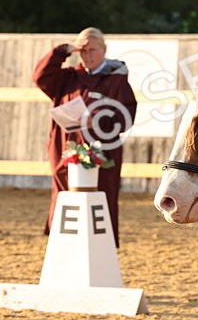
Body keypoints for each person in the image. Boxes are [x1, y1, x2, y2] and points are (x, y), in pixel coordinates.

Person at [33, 28, 138, 245]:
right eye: (83, 51)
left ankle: (101, 245)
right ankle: (62, 242)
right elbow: (41, 77)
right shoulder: (68, 78)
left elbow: (126, 115)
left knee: (101, 196)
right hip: (66, 149)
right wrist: (62, 51)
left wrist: (98, 120)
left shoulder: (115, 81)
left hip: (102, 154)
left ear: (104, 49)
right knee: (65, 195)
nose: (88, 55)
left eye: (92, 49)